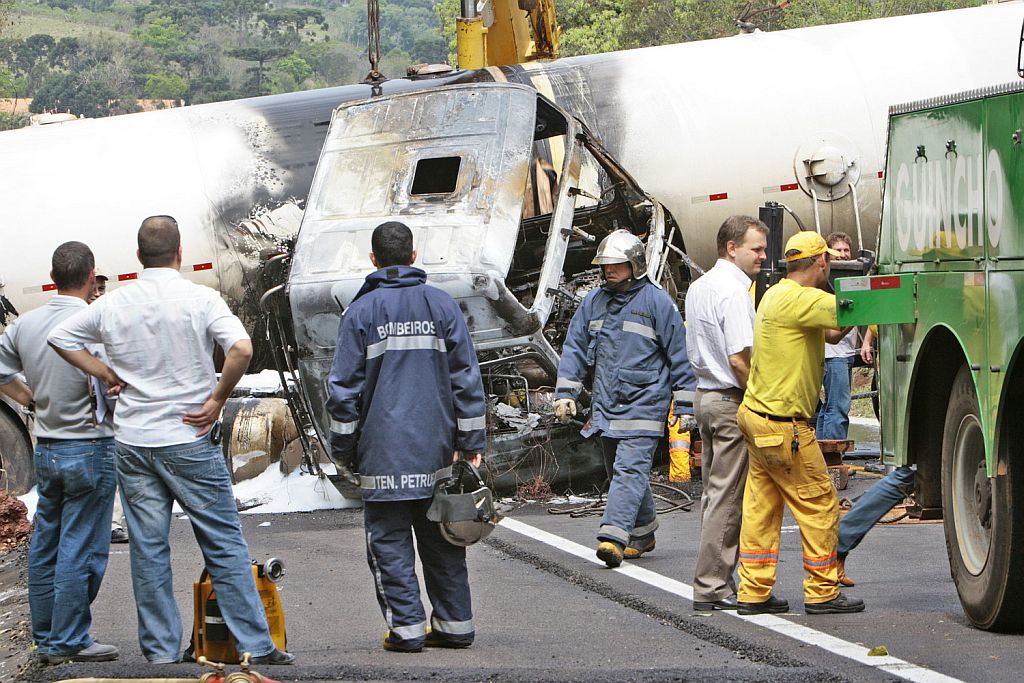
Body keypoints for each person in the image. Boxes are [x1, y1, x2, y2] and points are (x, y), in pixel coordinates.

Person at [48, 216, 293, 665]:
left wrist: (104, 372)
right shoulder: (200, 298)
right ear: (179, 253)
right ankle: (256, 645)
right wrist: (218, 398)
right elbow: (240, 348)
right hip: (188, 436)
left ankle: (161, 653)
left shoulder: (113, 304)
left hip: (135, 441)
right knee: (221, 540)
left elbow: (60, 336)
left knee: (148, 548)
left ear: (139, 257)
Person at [326, 221, 487, 653]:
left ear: (374, 260)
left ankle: (407, 631)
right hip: (438, 452)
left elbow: (343, 393)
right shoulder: (442, 306)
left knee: (389, 544)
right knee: (442, 542)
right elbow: (466, 381)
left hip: (382, 456)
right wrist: (471, 444)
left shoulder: (359, 314)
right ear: (414, 256)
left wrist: (343, 451)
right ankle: (455, 626)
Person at [0, 241, 119, 664]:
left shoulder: (26, 325)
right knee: (82, 547)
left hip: (48, 449)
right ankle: (70, 639)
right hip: (91, 448)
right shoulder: (96, 322)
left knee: (47, 543)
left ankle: (46, 636)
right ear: (91, 277)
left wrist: (30, 399)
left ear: (53, 278)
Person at [735, 231, 865, 615]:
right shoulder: (803, 298)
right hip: (783, 427)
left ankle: (754, 591)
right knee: (821, 505)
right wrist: (875, 292)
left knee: (762, 509)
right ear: (821, 262)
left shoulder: (776, 293)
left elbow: (831, 332)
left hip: (757, 419)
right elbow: (849, 306)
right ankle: (823, 591)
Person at [554, 229, 695, 568]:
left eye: (616, 264)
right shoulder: (593, 302)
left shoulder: (656, 302)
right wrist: (565, 393)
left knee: (628, 470)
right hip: (606, 405)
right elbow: (574, 348)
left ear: (635, 264)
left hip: (645, 404)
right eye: (605, 264)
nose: (608, 270)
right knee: (623, 471)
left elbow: (679, 354)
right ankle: (644, 532)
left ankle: (613, 537)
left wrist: (687, 404)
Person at [685, 216, 767, 611]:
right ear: (732, 248)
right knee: (728, 498)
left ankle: (715, 580)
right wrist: (763, 398)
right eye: (757, 249)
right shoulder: (734, 293)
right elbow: (739, 358)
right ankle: (712, 586)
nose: (763, 257)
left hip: (704, 397)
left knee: (714, 495)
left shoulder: (700, 287)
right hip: (730, 399)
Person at [88, 266, 128, 545]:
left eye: (103, 289)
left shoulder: (110, 324)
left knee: (113, 469)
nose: (99, 294)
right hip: (84, 414)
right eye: (95, 289)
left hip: (106, 414)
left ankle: (111, 524)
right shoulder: (74, 325)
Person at [816, 232, 859, 441]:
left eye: (846, 250)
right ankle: (833, 460)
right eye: (838, 251)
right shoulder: (828, 282)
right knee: (838, 407)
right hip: (834, 354)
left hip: (844, 352)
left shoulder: (850, 278)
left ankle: (823, 458)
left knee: (830, 406)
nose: (843, 254)